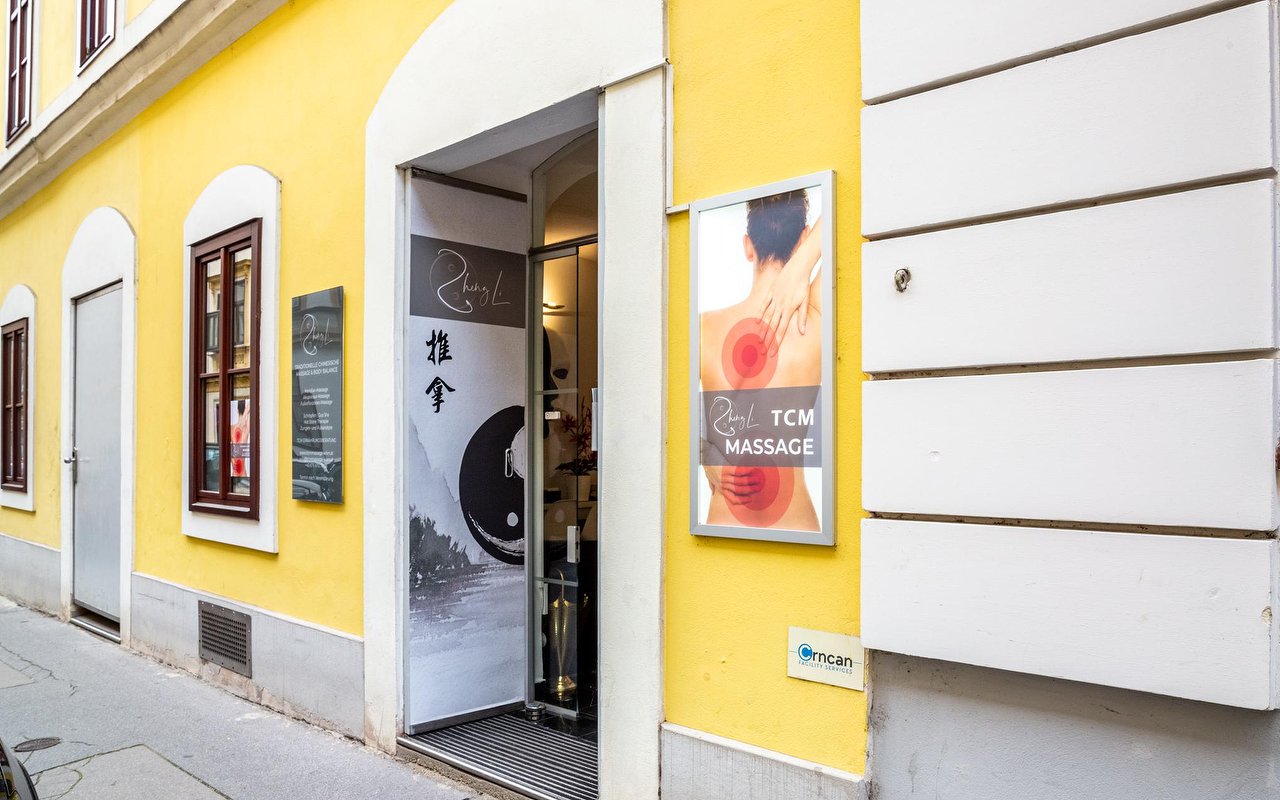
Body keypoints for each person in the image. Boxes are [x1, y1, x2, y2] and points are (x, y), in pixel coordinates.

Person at [699, 189, 822, 531]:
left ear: (747, 246)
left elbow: (661, 418)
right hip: (798, 528)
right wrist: (804, 263)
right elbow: (853, 209)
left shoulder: (703, 329)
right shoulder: (816, 318)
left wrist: (704, 452)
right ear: (803, 240)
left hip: (723, 527)